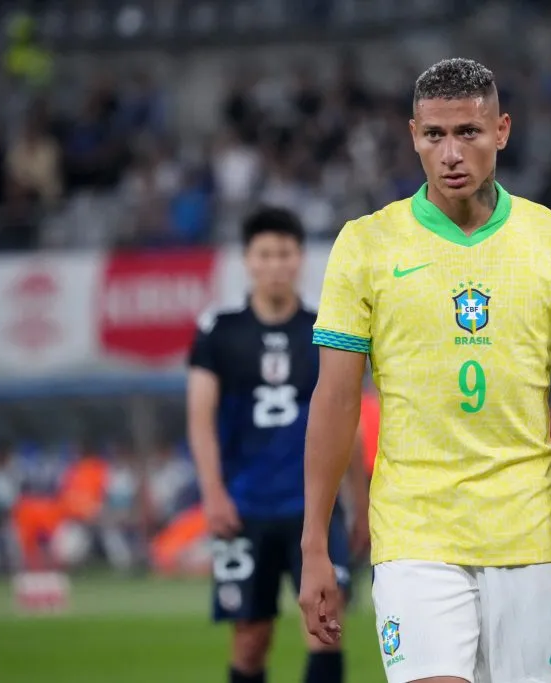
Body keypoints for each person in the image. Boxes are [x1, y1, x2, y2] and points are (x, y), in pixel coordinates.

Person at [298, 57, 551, 683]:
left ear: (503, 131)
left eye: (470, 132)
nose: (451, 152)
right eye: (435, 135)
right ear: (413, 135)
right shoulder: (367, 244)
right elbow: (335, 400)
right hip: (415, 533)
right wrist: (314, 546)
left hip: (531, 532)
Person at [186, 207, 369, 683]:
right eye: (264, 254)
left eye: (284, 253)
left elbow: (347, 418)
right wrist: (213, 493)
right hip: (246, 508)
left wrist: (363, 503)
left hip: (317, 508)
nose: (275, 264)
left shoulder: (325, 330)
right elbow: (199, 419)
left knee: (327, 629)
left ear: (298, 260)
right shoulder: (218, 333)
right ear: (248, 260)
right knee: (250, 638)